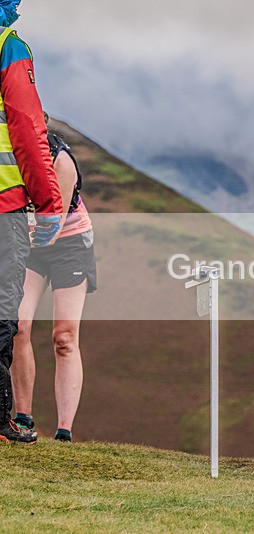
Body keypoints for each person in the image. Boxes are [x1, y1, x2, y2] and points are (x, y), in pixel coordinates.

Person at [0, 2, 64, 444]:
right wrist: (48, 204)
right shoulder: (8, 47)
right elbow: (26, 128)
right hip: (3, 204)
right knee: (3, 312)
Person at [11, 116, 95, 443]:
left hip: (68, 241)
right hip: (29, 240)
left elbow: (51, 226)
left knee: (64, 336)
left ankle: (64, 431)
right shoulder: (10, 156)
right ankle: (23, 418)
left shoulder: (60, 162)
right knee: (18, 325)